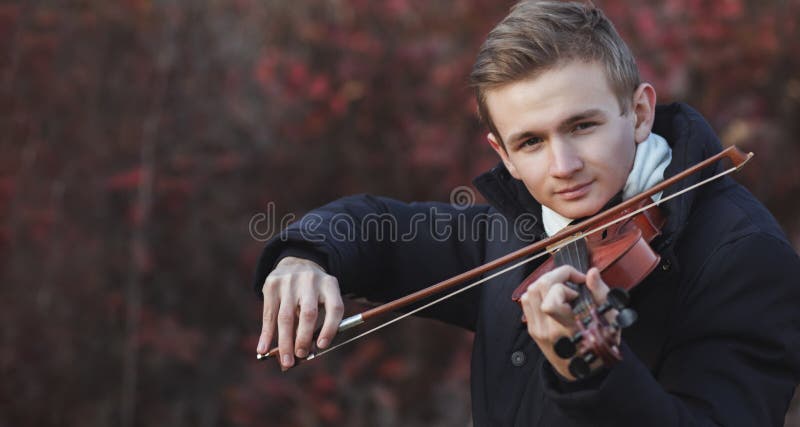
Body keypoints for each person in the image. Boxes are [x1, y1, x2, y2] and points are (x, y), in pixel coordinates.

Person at [252, 1, 800, 425]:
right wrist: (303, 256)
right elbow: (384, 229)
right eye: (531, 142)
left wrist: (588, 372)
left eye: (582, 126)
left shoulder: (742, 256)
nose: (563, 167)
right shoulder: (523, 228)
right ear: (503, 155)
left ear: (638, 113)